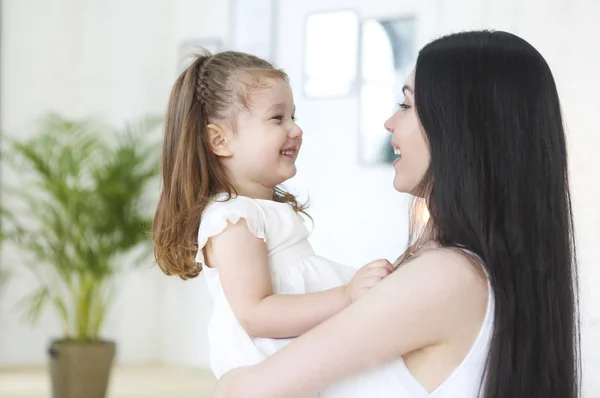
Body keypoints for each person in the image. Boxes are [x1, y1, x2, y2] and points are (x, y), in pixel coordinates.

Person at [213, 30, 581, 398]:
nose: (390, 122)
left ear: (458, 127)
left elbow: (244, 390)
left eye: (405, 106)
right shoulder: (481, 273)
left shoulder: (446, 277)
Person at [151, 50, 393, 383]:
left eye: (293, 116)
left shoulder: (258, 212)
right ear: (220, 140)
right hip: (270, 378)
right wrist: (346, 296)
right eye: (277, 118)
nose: (296, 130)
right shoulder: (233, 218)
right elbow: (255, 313)